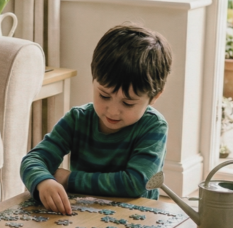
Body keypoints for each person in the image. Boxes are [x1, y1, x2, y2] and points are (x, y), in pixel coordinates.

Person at [20, 24, 172, 215]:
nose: (114, 111)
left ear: (155, 96)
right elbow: (33, 159)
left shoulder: (153, 127)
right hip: (82, 220)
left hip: (136, 218)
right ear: (93, 79)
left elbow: (136, 183)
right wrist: (43, 181)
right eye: (104, 96)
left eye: (128, 103)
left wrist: (69, 180)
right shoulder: (77, 119)